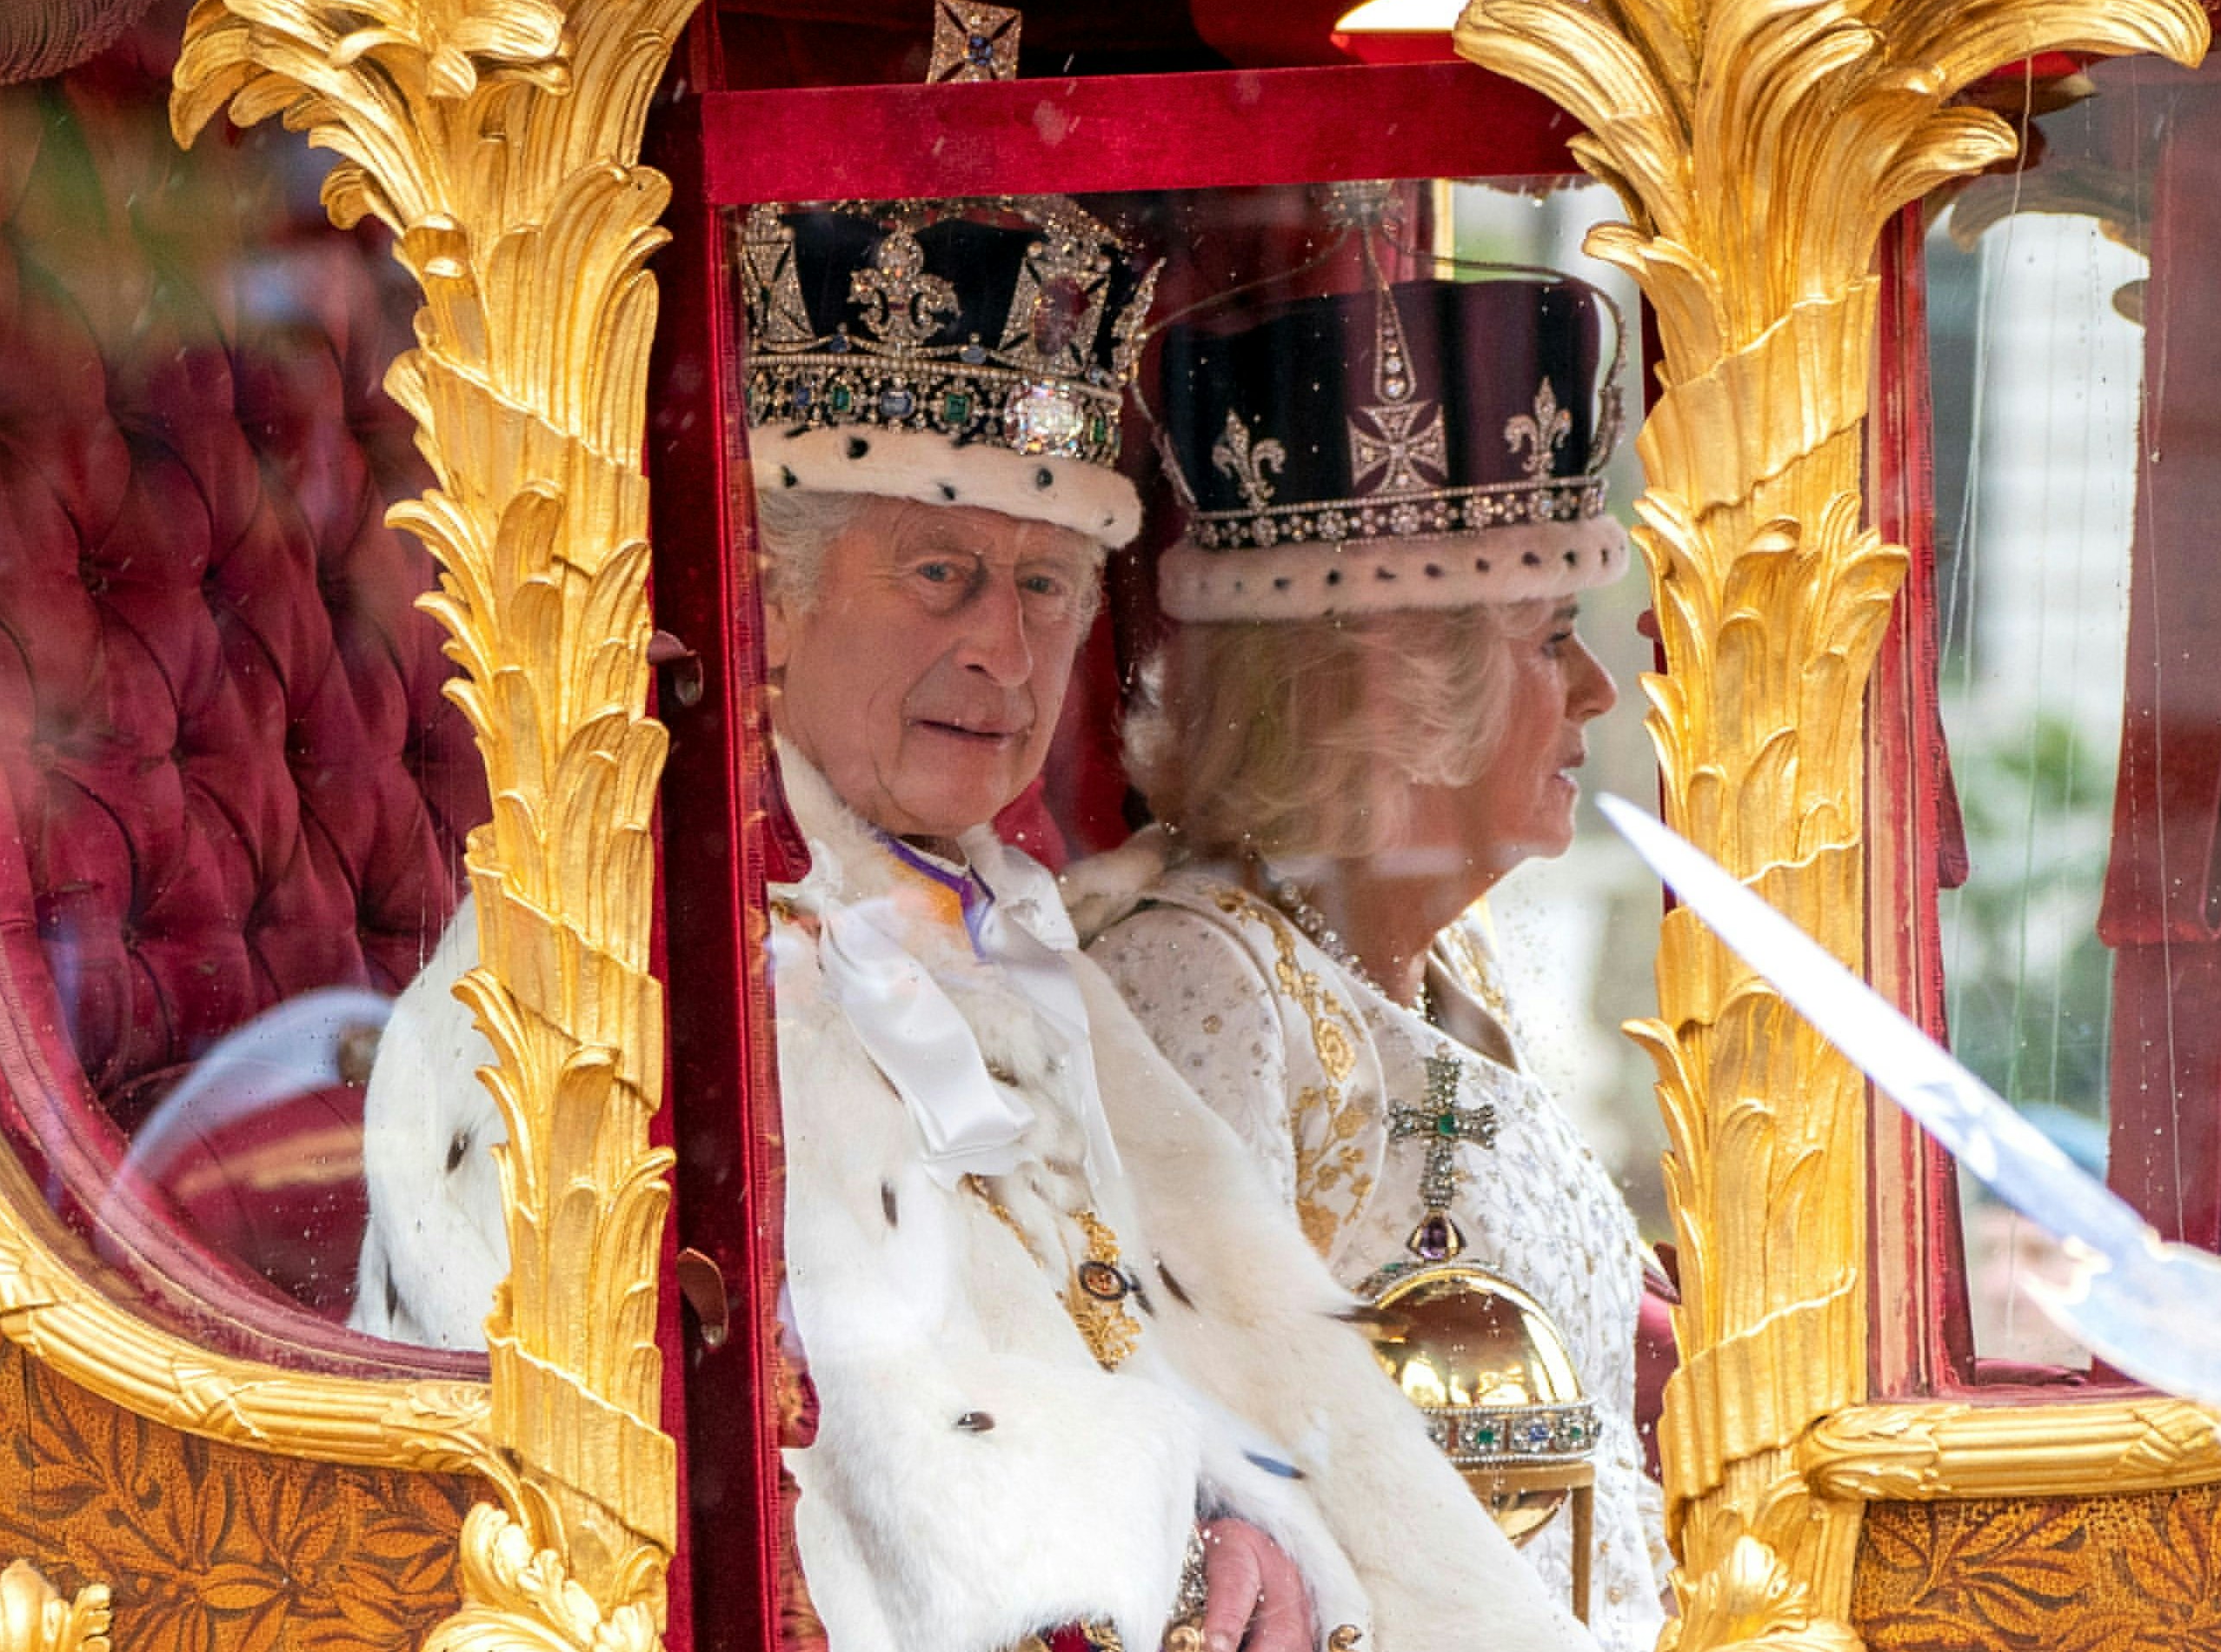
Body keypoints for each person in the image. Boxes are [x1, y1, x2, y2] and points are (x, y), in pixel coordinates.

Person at [361, 199, 1593, 1652]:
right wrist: (1185, 1554)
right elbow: (873, 1507)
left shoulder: (1005, 931)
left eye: (1045, 586)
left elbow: (1216, 1373)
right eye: (941, 573)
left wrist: (1275, 1533)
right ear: (771, 598)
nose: (1005, 653)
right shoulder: (635, 954)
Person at [1069, 275, 1670, 1648]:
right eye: (1550, 639)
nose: (1597, 689)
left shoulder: (1458, 964)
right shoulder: (1204, 981)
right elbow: (1203, 1466)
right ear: (1404, 690)